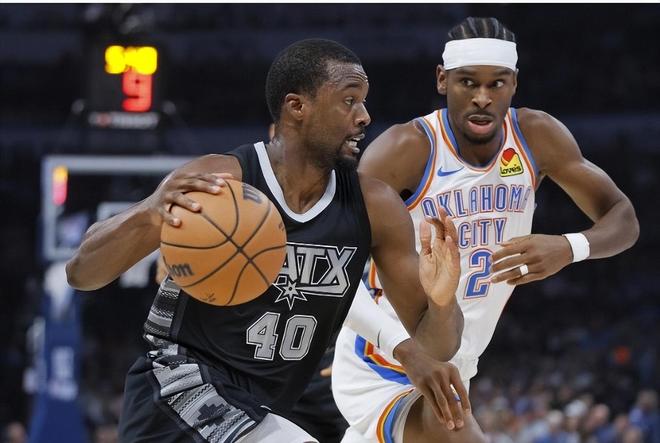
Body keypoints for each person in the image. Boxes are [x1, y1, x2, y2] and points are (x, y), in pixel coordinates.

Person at [66, 39, 469, 443]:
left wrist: (441, 301)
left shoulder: (375, 206)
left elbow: (436, 347)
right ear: (297, 107)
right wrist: (149, 211)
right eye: (349, 101)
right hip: (176, 392)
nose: (364, 116)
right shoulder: (221, 182)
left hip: (259, 409)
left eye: (363, 102)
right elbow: (82, 273)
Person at [331, 16, 639, 443]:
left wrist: (570, 247)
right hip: (388, 359)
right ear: (442, 80)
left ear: (514, 83)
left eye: (496, 83)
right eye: (467, 82)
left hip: (459, 359)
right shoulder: (405, 149)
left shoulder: (536, 136)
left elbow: (623, 217)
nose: (482, 97)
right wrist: (395, 343)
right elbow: (332, 266)